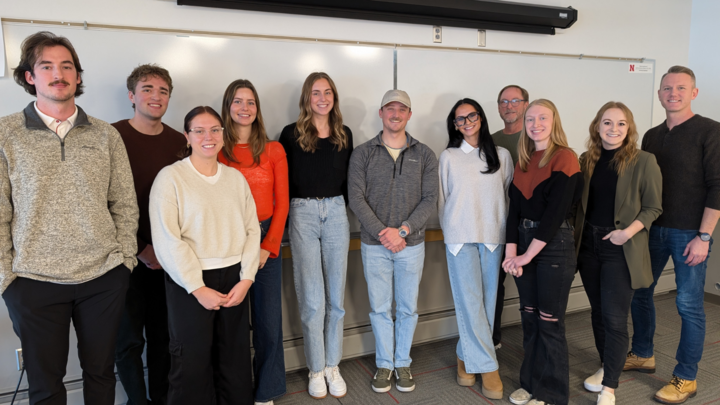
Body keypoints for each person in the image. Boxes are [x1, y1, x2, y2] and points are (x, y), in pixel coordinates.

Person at [0, 31, 139, 404]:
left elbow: (124, 203)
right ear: (30, 77)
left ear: (78, 76)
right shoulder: (5, 133)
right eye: (46, 66)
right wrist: (7, 279)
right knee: (46, 386)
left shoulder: (106, 135)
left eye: (67, 66)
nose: (58, 74)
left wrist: (124, 262)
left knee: (100, 374)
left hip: (103, 277)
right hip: (32, 280)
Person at [149, 106, 260, 405]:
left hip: (235, 278)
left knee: (234, 359)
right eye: (199, 130)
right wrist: (197, 288)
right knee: (191, 361)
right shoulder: (170, 179)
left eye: (214, 130)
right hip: (190, 281)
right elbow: (167, 239)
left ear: (223, 136)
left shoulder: (235, 179)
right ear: (187, 136)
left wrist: (247, 278)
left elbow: (252, 230)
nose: (207, 136)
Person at [626, 65, 720, 404]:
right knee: (640, 292)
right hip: (652, 230)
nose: (673, 93)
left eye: (681, 88)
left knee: (688, 304)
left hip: (690, 235)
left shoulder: (711, 132)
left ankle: (687, 377)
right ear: (659, 94)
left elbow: (718, 187)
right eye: (667, 88)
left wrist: (704, 237)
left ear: (693, 93)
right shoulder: (651, 135)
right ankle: (642, 353)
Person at [348, 89, 438, 394]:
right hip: (375, 247)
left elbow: (429, 199)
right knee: (380, 308)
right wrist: (383, 233)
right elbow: (356, 198)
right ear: (381, 113)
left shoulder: (425, 154)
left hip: (411, 246)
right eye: (390, 108)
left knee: (408, 308)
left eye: (402, 109)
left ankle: (403, 363)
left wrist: (401, 231)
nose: (396, 114)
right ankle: (385, 364)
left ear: (409, 115)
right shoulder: (362, 152)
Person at [574, 102, 662, 405]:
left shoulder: (643, 161)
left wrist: (626, 233)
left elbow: (654, 207)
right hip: (588, 247)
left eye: (621, 124)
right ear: (597, 127)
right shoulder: (586, 159)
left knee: (614, 319)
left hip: (620, 248)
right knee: (597, 314)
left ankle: (610, 388)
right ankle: (605, 365)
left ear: (629, 128)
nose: (613, 129)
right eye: (607, 123)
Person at [113, 63, 186, 405]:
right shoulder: (110, 137)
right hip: (125, 260)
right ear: (132, 95)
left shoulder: (178, 142)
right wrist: (141, 249)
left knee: (164, 338)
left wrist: (167, 251)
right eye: (147, 89)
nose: (155, 97)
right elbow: (101, 203)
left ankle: (161, 399)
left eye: (163, 91)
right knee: (127, 342)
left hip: (169, 260)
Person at [502, 99, 583, 405]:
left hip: (552, 247)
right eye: (531, 119)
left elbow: (554, 216)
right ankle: (531, 383)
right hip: (523, 245)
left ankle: (552, 394)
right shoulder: (523, 161)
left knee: (550, 323)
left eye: (542, 118)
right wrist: (512, 253)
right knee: (530, 319)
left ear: (554, 122)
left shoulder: (565, 157)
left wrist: (525, 256)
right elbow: (513, 212)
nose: (535, 124)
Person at [279, 72, 353, 400]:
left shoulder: (344, 134)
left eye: (327, 92)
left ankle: (333, 364)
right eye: (315, 93)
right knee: (312, 299)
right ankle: (316, 369)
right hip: (303, 213)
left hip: (337, 212)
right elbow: (283, 183)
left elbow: (350, 182)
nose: (322, 98)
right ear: (306, 98)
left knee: (335, 300)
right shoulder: (290, 134)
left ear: (334, 97)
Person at [219, 79, 289, 405]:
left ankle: (266, 392)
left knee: (268, 323)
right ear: (228, 106)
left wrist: (268, 246)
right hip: (229, 239)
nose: (244, 108)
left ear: (257, 109)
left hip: (265, 241)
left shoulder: (273, 150)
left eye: (250, 102)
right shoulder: (216, 149)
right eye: (237, 101)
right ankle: (235, 392)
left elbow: (282, 203)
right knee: (231, 323)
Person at [438, 98, 513, 399]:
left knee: (485, 303)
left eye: (472, 116)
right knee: (469, 302)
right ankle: (488, 367)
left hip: (492, 236)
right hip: (459, 239)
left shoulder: (502, 155)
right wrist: (450, 232)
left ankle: (463, 355)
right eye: (460, 119)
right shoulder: (449, 156)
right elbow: (442, 198)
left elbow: (506, 195)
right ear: (454, 124)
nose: (467, 122)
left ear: (481, 118)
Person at [491, 84, 529, 348]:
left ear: (526, 104)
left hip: (532, 227)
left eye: (515, 100)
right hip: (500, 226)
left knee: (531, 288)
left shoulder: (538, 136)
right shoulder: (490, 141)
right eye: (504, 101)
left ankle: (534, 343)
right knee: (494, 286)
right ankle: (492, 340)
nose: (509, 106)